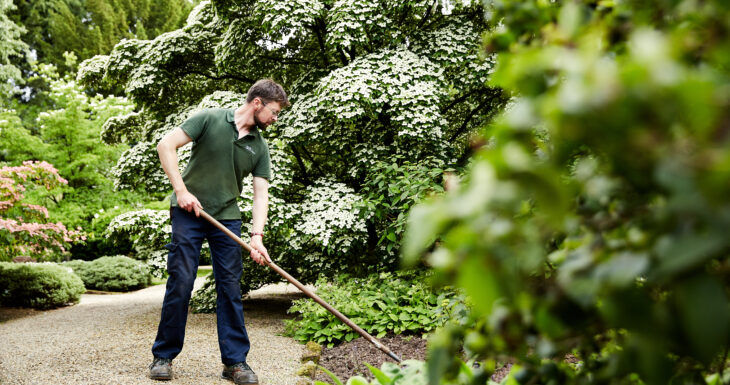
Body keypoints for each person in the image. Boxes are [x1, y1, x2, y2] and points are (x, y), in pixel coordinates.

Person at [149, 79, 289, 384]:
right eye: (274, 112)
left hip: (226, 218)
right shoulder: (209, 118)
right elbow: (165, 145)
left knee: (229, 286)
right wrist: (181, 190)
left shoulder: (259, 146)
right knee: (182, 281)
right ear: (257, 103)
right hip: (188, 211)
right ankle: (163, 356)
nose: (275, 119)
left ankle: (235, 363)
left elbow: (260, 194)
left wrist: (257, 237)